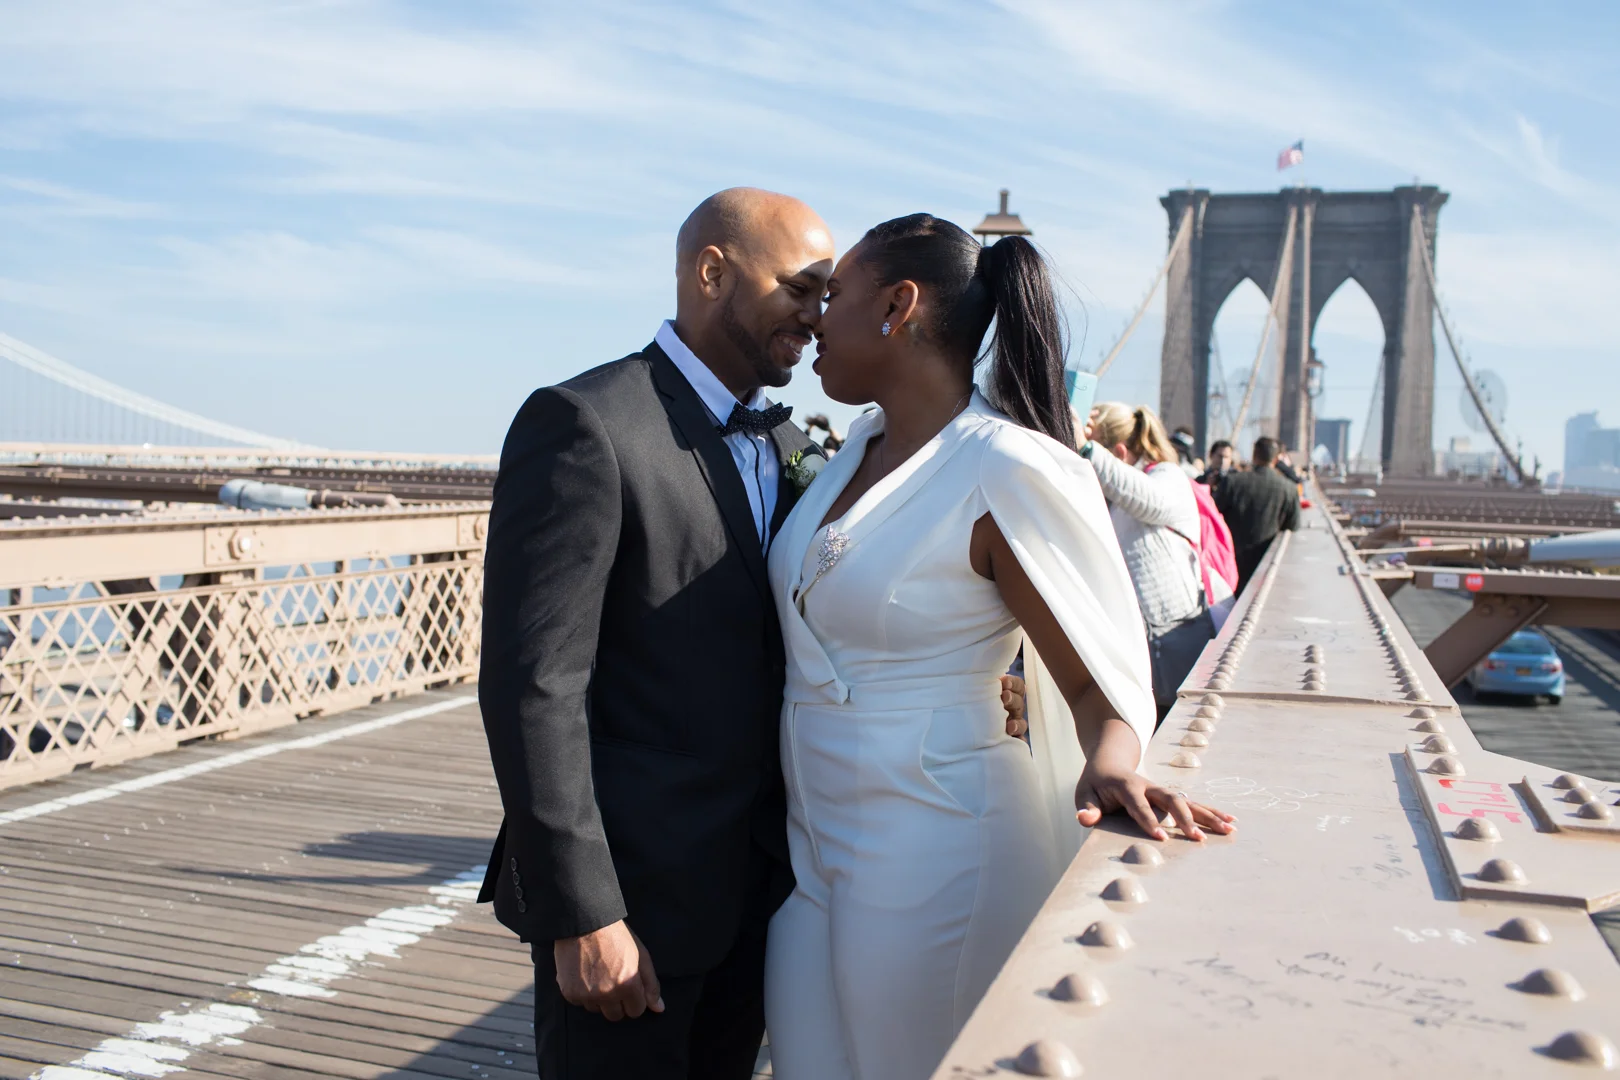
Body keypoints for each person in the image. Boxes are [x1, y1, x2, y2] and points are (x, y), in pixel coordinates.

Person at [476, 189, 1026, 1080]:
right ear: (712, 273)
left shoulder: (799, 447)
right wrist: (582, 914)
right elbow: (532, 685)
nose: (817, 317)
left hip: (766, 900)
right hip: (634, 907)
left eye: (828, 295)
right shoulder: (587, 424)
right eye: (801, 289)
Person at [763, 215, 1234, 1080]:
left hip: (938, 841)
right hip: (813, 847)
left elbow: (1095, 678)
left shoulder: (1004, 467)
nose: (815, 319)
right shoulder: (855, 449)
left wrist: (1113, 761)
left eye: (835, 295)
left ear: (897, 306)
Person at [1081, 402, 1217, 720]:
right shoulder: (1116, 498)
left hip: (1178, 633)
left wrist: (1087, 450)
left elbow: (1151, 501)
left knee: (1179, 722)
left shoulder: (1167, 476)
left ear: (1118, 452)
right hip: (1146, 641)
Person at [1214, 435, 1301, 593]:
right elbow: (1293, 526)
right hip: (1266, 567)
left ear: (1254, 456)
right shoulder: (1289, 489)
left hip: (1231, 563)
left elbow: (1213, 516)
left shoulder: (1232, 482)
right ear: (1276, 459)